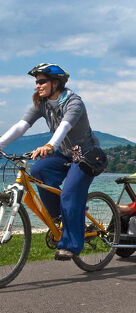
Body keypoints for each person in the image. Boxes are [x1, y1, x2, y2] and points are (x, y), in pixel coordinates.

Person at [0, 63, 101, 261]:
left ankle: (70, 245)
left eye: (41, 81)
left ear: (56, 83)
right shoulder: (42, 103)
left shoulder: (74, 102)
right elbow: (22, 125)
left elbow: (64, 127)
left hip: (86, 154)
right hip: (64, 153)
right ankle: (59, 218)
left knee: (70, 194)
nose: (37, 85)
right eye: (36, 82)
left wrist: (49, 146)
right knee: (38, 172)